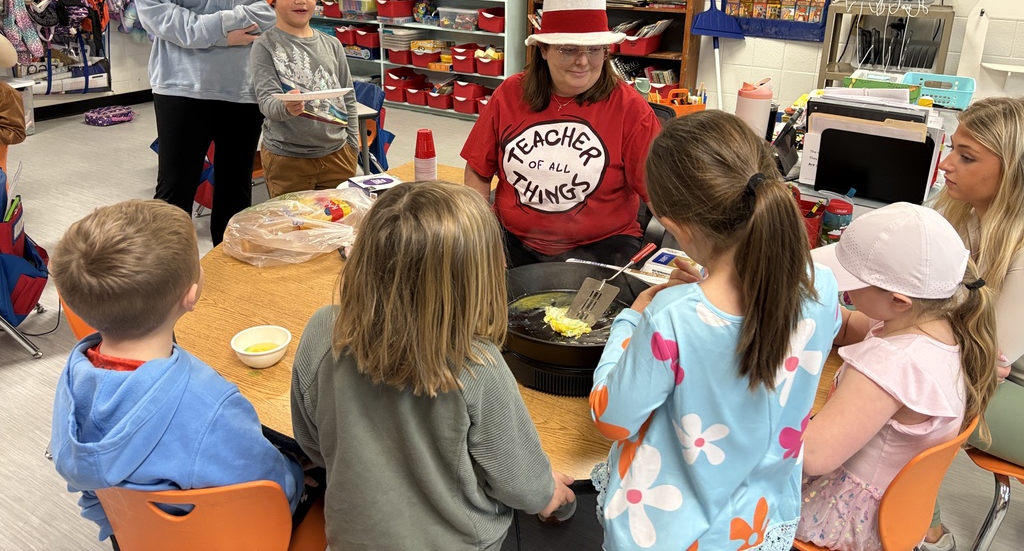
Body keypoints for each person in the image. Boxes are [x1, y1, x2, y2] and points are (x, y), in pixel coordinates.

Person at [589, 110, 841, 551]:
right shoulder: (820, 285)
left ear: (673, 226)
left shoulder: (670, 316)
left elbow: (611, 419)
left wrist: (633, 318)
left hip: (666, 532)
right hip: (754, 526)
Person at [290, 181, 575, 550]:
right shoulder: (478, 366)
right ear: (476, 279)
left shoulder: (324, 329)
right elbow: (524, 485)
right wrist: (554, 497)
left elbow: (312, 443)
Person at [48, 200, 303, 545]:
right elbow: (272, 486)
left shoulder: (72, 382)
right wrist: (298, 472)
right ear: (191, 296)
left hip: (133, 533)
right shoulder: (210, 404)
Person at [461, 0, 661, 267]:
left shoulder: (630, 109)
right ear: (544, 51)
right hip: (512, 240)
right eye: (568, 49)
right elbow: (476, 172)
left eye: (595, 49)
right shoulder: (510, 94)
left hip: (603, 245)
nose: (583, 62)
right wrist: (480, 232)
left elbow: (660, 197)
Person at [795, 203, 998, 551]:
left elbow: (812, 456)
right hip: (895, 509)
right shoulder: (941, 327)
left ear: (899, 300)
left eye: (850, 287)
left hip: (841, 518)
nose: (844, 294)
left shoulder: (891, 364)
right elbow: (843, 325)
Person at [135, 0, 276, 245]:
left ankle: (228, 290)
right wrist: (223, 31)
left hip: (242, 84)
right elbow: (155, 14)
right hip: (183, 85)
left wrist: (217, 28)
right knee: (174, 193)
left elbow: (274, 0)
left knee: (235, 194)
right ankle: (166, 290)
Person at [920, 96, 1024, 550]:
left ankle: (927, 533)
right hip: (988, 370)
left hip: (1012, 390)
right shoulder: (971, 221)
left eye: (967, 156)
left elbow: (985, 360)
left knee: (912, 400)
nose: (946, 164)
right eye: (952, 148)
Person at [250, 0, 359, 197]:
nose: (301, 0)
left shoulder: (331, 44)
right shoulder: (265, 45)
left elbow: (349, 99)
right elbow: (266, 101)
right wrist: (287, 108)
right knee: (295, 231)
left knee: (337, 227)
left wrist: (352, 145)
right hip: (288, 159)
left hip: (338, 154)